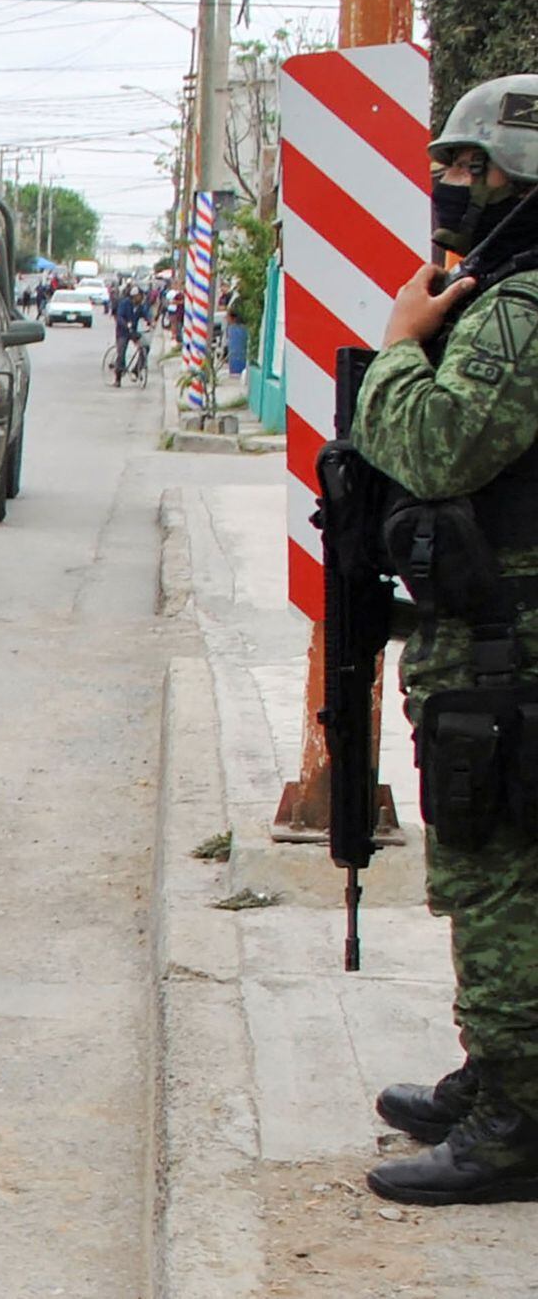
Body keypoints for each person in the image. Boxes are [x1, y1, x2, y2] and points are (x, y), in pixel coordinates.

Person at [353, 73, 538, 1207]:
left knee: (496, 875)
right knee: (500, 864)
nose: (451, 187)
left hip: (508, 649)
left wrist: (397, 345)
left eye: (471, 168)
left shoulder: (517, 309)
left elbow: (435, 448)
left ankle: (515, 1124)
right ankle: (495, 1076)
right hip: (499, 639)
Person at [111, 285, 144, 386]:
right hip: (123, 332)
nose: (141, 298)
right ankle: (118, 378)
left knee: (143, 349)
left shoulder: (140, 306)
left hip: (133, 331)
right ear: (134, 296)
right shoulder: (124, 303)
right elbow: (119, 317)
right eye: (139, 296)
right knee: (121, 353)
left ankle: (136, 370)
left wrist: (151, 321)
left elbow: (145, 314)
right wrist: (126, 325)